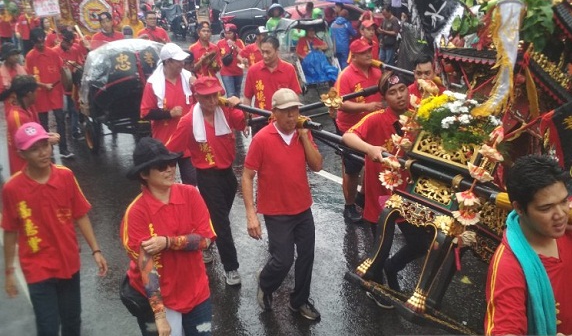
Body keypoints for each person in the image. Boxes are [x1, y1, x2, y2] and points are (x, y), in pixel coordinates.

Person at [2, 121, 108, 336]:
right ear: (22, 154)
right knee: (48, 329)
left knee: (72, 323)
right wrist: (9, 270)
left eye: (44, 145)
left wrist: (96, 250)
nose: (43, 152)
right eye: (34, 149)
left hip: (68, 262)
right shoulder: (12, 189)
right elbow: (10, 230)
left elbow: (80, 214)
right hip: (37, 267)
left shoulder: (65, 176)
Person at [484, 155, 572, 336]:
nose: (561, 215)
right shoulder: (509, 264)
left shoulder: (569, 232)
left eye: (563, 202)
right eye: (546, 208)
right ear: (520, 209)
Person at [342, 72, 433, 309]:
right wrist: (369, 147)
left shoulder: (419, 117)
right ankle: (376, 286)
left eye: (402, 89)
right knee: (380, 248)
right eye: (392, 92)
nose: (399, 95)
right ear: (385, 97)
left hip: (410, 193)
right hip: (381, 195)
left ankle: (393, 268)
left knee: (422, 242)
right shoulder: (375, 119)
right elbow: (348, 136)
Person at [120, 137, 216, 336]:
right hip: (161, 298)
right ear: (144, 174)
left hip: (196, 291)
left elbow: (206, 240)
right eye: (162, 166)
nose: (170, 169)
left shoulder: (191, 194)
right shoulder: (136, 213)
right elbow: (146, 267)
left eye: (172, 163)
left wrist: (168, 242)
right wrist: (160, 315)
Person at [242, 88, 323, 320]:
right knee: (283, 260)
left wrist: (305, 137)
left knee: (307, 256)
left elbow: (317, 166)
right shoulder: (262, 139)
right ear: (274, 113)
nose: (291, 116)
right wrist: (251, 213)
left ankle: (299, 301)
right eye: (286, 112)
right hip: (276, 211)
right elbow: (247, 175)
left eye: (295, 110)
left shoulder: (302, 134)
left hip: (302, 207)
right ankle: (265, 283)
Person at [166, 76, 247, 287]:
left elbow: (242, 122)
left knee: (217, 217)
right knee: (222, 222)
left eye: (215, 95)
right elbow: (172, 148)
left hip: (228, 174)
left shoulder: (226, 111)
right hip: (207, 176)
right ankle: (232, 268)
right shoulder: (188, 121)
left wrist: (238, 105)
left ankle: (206, 240)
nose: (212, 101)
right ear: (197, 97)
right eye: (206, 97)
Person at [335, 39, 384, 223]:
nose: (369, 55)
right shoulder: (346, 76)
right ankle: (349, 206)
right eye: (364, 53)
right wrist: (367, 106)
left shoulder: (377, 72)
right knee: (352, 168)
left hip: (373, 126)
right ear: (353, 56)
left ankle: (362, 197)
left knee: (373, 164)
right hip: (352, 130)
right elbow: (341, 103)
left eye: (369, 52)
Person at [140, 43, 196, 186]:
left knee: (191, 181)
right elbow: (145, 113)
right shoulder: (153, 84)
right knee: (164, 182)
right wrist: (169, 114)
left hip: (187, 141)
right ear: (168, 62)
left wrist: (198, 85)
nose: (183, 64)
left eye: (183, 60)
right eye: (178, 61)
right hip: (165, 142)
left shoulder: (188, 78)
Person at [26, 27, 73, 159]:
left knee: (60, 120)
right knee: (43, 123)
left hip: (55, 92)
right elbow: (30, 78)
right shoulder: (30, 57)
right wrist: (43, 85)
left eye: (42, 41)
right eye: (38, 42)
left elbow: (62, 71)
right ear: (33, 42)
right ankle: (49, 150)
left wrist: (64, 80)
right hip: (40, 94)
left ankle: (64, 149)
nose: (41, 45)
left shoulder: (52, 53)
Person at [1, 75, 59, 174]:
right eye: (36, 91)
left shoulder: (28, 108)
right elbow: (25, 146)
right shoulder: (17, 117)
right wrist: (49, 141)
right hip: (25, 170)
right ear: (29, 94)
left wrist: (46, 136)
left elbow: (33, 135)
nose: (38, 94)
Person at [242, 36, 302, 133]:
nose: (264, 55)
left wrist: (296, 118)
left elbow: (295, 96)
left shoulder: (289, 69)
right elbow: (247, 97)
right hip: (260, 120)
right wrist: (247, 121)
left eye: (268, 52)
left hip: (283, 120)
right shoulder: (253, 70)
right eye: (262, 52)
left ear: (277, 51)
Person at [53, 29, 86, 140]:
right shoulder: (54, 52)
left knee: (74, 109)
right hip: (59, 86)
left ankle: (74, 131)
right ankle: (61, 136)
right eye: (68, 44)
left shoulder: (75, 49)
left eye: (71, 44)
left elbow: (80, 63)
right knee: (63, 112)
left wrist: (76, 65)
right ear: (63, 40)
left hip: (72, 86)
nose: (69, 46)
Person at [217, 23, 245, 97]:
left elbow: (244, 54)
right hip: (226, 72)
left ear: (234, 33)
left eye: (230, 33)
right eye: (225, 33)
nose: (227, 35)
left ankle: (238, 109)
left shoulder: (239, 42)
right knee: (230, 94)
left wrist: (234, 46)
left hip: (238, 71)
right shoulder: (220, 43)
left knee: (237, 94)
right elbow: (217, 56)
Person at [0, 42, 27, 113]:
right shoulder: (1, 74)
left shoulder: (21, 69)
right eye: (13, 55)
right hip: (12, 109)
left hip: (26, 106)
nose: (16, 57)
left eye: (16, 54)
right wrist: (13, 87)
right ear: (6, 57)